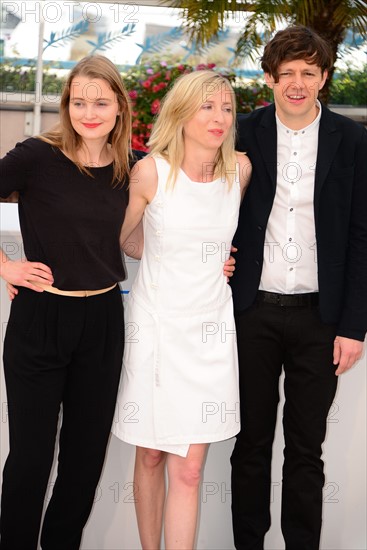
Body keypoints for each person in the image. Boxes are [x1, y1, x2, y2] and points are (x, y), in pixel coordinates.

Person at [0, 54, 145, 550]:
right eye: (79, 101)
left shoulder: (134, 168)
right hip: (40, 318)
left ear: (120, 108)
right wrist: (6, 266)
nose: (89, 112)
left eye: (101, 102)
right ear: (66, 105)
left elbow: (144, 238)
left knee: (84, 461)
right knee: (32, 458)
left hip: (103, 321)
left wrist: (216, 260)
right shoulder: (36, 156)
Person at [230, 25, 367, 550]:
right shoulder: (242, 131)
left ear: (324, 78)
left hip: (320, 318)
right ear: (269, 78)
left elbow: (361, 235)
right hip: (252, 312)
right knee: (251, 446)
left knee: (307, 449)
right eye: (286, 73)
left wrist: (353, 326)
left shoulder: (352, 140)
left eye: (309, 72)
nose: (297, 83)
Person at [112, 69, 252, 549]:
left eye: (227, 107)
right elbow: (124, 242)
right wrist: (164, 250)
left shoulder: (241, 170)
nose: (219, 117)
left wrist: (225, 261)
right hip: (156, 331)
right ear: (182, 112)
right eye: (207, 106)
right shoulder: (151, 171)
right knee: (151, 455)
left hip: (211, 334)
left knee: (190, 471)